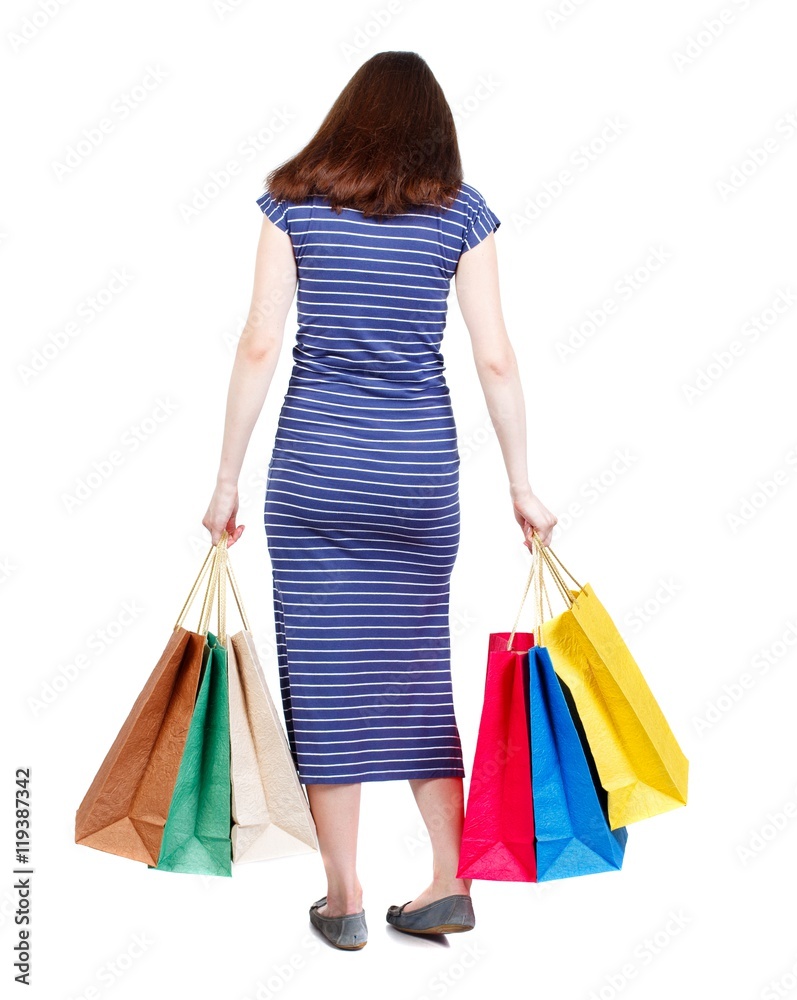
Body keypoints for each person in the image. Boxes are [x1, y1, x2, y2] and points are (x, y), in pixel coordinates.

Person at [202, 50, 557, 950]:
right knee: (412, 677)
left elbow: (256, 346)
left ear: (346, 117)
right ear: (433, 126)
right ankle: (448, 882)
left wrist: (225, 480)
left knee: (324, 680)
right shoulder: (459, 214)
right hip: (416, 477)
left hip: (317, 473)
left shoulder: (290, 203)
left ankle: (346, 897)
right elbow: (496, 358)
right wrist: (521, 484)